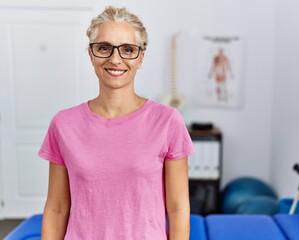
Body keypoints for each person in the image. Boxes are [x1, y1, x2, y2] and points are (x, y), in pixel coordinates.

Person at [39, 6, 195, 240]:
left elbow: (178, 208)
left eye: (128, 50)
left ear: (141, 57)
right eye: (104, 48)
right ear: (91, 54)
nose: (115, 59)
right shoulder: (63, 124)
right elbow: (57, 208)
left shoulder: (167, 121)